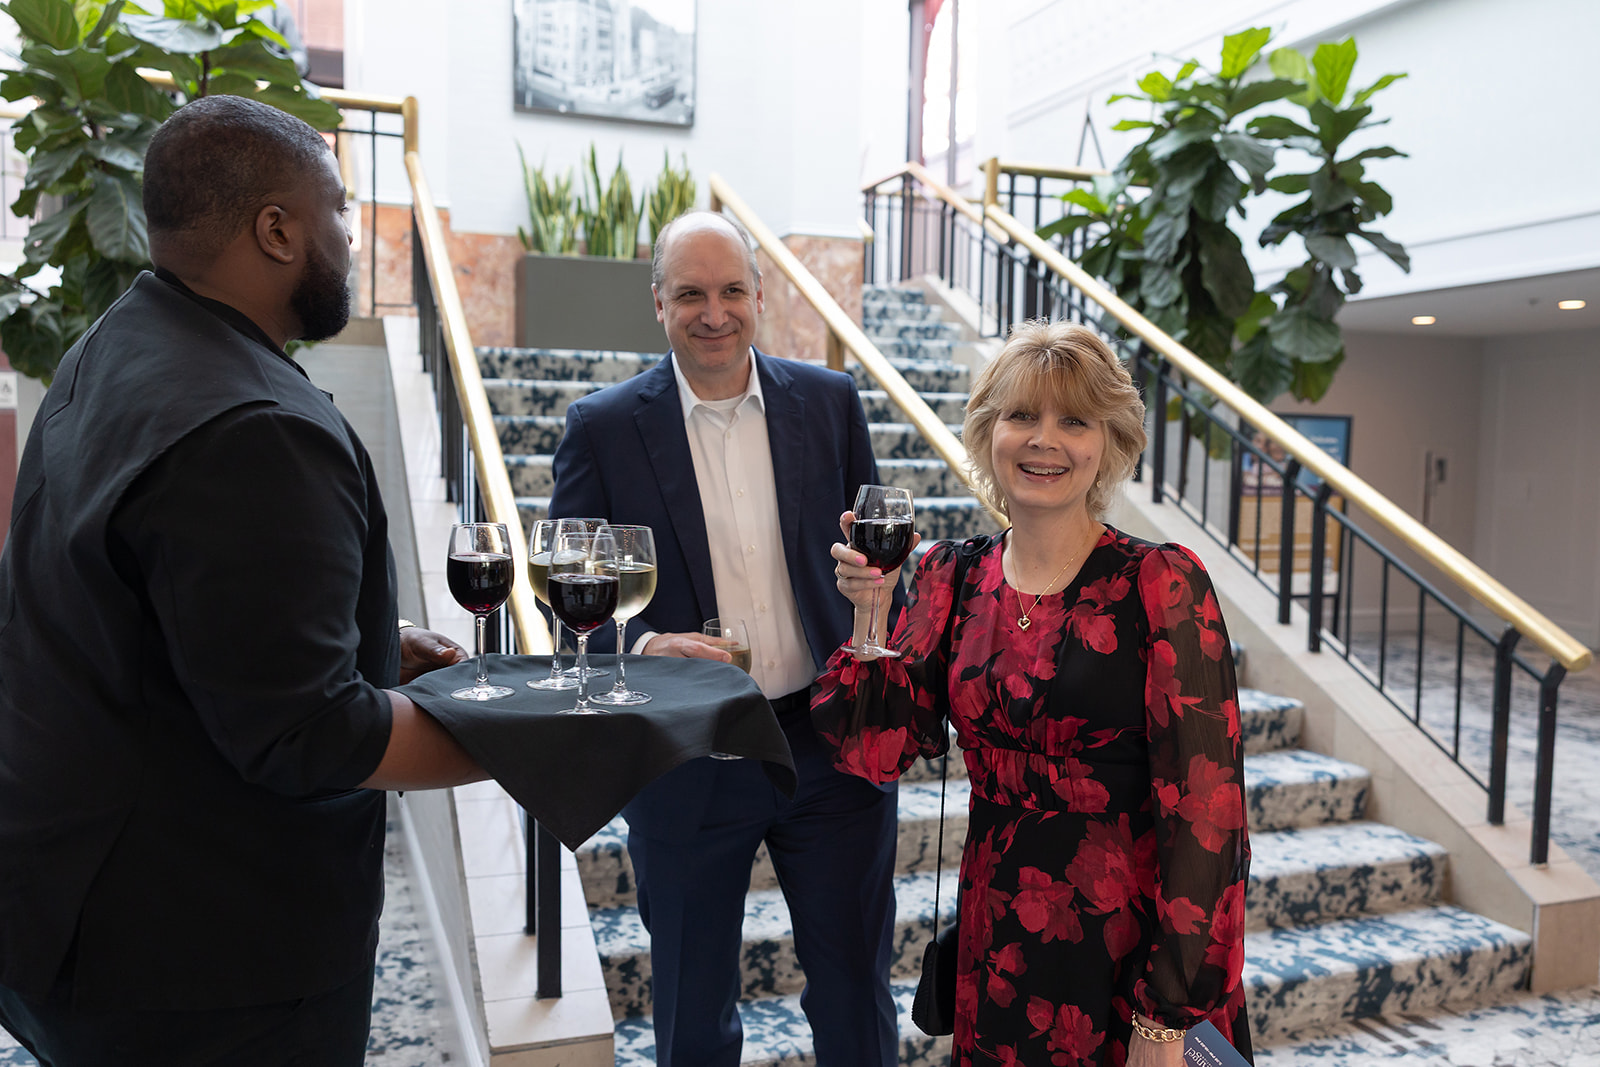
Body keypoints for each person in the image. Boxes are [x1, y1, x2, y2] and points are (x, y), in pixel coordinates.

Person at [0, 95, 486, 1066]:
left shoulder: (110, 350)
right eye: (339, 209)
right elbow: (312, 734)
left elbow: (156, 606)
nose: (350, 236)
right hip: (206, 970)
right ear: (277, 230)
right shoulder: (257, 426)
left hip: (68, 915)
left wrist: (366, 644)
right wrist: (525, 737)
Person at [814, 320, 1252, 1066]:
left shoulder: (1161, 582)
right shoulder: (952, 574)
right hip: (998, 940)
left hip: (1126, 953)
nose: (1044, 440)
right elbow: (876, 748)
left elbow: (1209, 816)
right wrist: (870, 612)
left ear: (1107, 443)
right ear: (990, 432)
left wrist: (1167, 1015)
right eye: (1021, 415)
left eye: (1074, 421)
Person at [548, 210, 902, 1066]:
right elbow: (567, 596)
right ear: (658, 302)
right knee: (693, 1009)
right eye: (692, 294)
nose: (715, 313)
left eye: (733, 290)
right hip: (687, 751)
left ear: (760, 295)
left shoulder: (830, 402)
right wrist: (642, 649)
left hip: (830, 742)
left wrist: (880, 592)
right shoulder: (601, 427)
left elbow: (875, 557)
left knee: (856, 991)